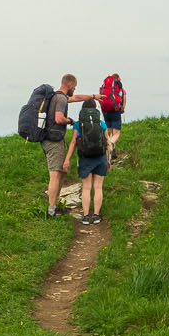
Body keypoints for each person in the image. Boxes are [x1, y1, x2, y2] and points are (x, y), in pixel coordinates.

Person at [42, 75, 78, 217]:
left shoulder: (56, 96)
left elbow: (76, 98)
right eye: (74, 86)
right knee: (55, 174)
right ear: (69, 84)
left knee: (61, 173)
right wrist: (70, 120)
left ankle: (55, 206)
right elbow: (58, 118)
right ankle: (51, 210)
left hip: (50, 139)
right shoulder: (62, 98)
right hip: (53, 140)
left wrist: (93, 96)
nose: (75, 88)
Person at [71, 97, 109, 226]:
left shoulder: (78, 124)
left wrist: (66, 159)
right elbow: (107, 143)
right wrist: (108, 160)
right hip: (101, 157)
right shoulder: (101, 123)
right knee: (98, 187)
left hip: (85, 158)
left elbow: (73, 142)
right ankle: (97, 215)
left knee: (86, 188)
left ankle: (86, 216)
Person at [98, 73, 126, 164]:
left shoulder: (103, 88)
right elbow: (123, 97)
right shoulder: (119, 87)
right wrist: (123, 108)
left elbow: (100, 98)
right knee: (116, 133)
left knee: (111, 132)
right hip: (115, 110)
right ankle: (109, 144)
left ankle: (111, 154)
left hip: (106, 111)